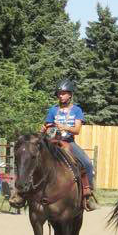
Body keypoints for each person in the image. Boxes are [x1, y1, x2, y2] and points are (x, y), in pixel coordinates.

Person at [44, 79, 97, 211]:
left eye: (63, 93)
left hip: (68, 142)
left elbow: (77, 130)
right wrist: (46, 128)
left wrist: (64, 127)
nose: (60, 96)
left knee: (87, 164)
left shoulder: (77, 110)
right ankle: (24, 192)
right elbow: (47, 125)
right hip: (52, 142)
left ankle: (87, 194)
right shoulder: (53, 110)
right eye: (59, 93)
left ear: (70, 95)